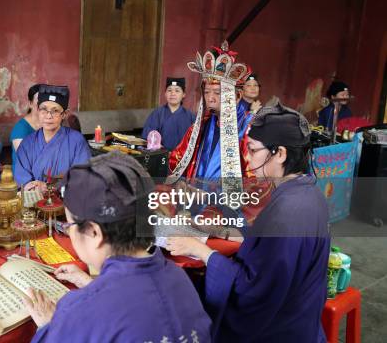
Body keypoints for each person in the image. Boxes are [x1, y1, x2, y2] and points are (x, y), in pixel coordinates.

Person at [165, 102, 330, 342]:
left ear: (281, 153)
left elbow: (252, 291)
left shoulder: (286, 212)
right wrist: (223, 231)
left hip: (276, 330)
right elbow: (276, 256)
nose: (249, 160)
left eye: (252, 151)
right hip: (303, 319)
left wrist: (198, 249)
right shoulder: (310, 193)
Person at [23, 152, 212, 343]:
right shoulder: (179, 277)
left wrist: (49, 328)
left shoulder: (76, 312)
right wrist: (93, 285)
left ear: (94, 233)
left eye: (69, 225)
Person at [169, 42, 254, 181]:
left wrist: (214, 194)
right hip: (194, 196)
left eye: (217, 92)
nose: (210, 98)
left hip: (224, 200)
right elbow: (177, 159)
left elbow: (254, 177)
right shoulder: (201, 125)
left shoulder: (249, 128)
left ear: (237, 97)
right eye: (207, 92)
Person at [14, 85, 91, 192]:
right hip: (34, 200)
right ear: (38, 110)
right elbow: (22, 180)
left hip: (67, 202)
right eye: (44, 109)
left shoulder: (76, 140)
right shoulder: (27, 143)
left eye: (55, 111)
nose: (48, 116)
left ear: (64, 114)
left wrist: (49, 188)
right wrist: (34, 187)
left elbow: (82, 178)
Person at [141, 77, 195, 151]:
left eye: (177, 91)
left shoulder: (190, 116)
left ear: (183, 94)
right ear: (165, 94)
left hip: (182, 157)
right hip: (160, 155)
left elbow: (194, 141)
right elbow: (147, 136)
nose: (173, 93)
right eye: (169, 90)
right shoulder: (157, 114)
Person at [10, 84, 42, 175]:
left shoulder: (48, 125)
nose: (43, 105)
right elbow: (25, 159)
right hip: (25, 178)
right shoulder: (20, 129)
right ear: (30, 103)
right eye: (39, 101)